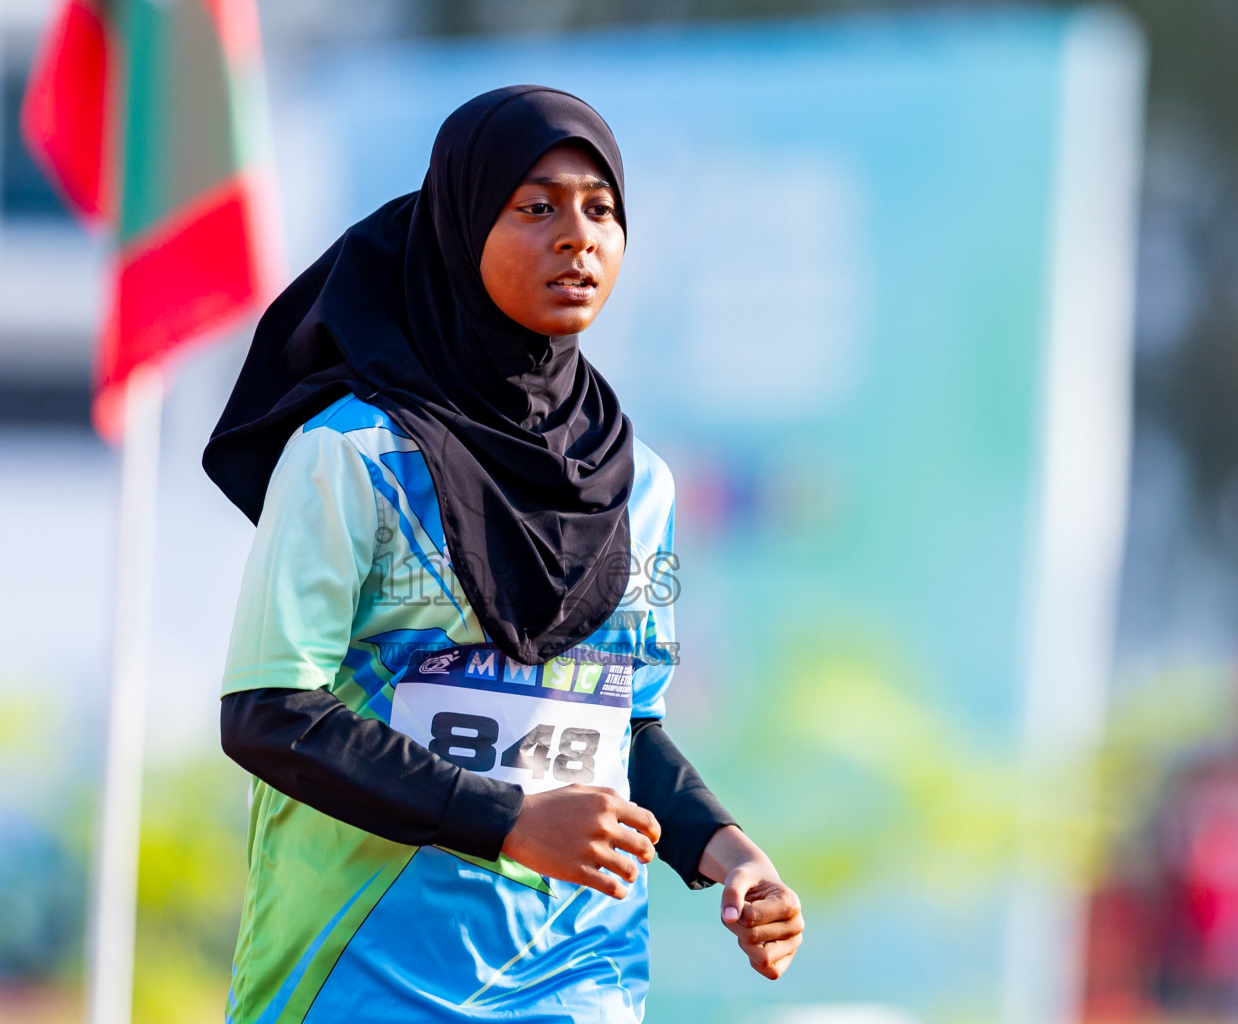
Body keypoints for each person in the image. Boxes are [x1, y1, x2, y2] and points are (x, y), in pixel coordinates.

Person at [202, 85, 802, 1024]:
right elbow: (269, 714)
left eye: (601, 209)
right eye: (537, 207)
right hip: (364, 983)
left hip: (580, 980)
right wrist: (509, 822)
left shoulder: (642, 486)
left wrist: (726, 852)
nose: (578, 235)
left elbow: (624, 727)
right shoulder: (354, 454)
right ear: (458, 226)